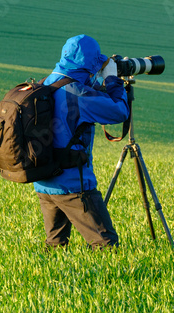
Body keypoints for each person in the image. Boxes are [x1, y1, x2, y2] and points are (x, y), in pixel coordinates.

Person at [33, 34, 129, 250]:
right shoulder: (78, 93)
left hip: (44, 180)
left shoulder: (46, 83)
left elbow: (80, 93)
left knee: (55, 246)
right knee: (106, 245)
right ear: (90, 63)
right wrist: (113, 80)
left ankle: (50, 280)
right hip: (73, 185)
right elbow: (119, 111)